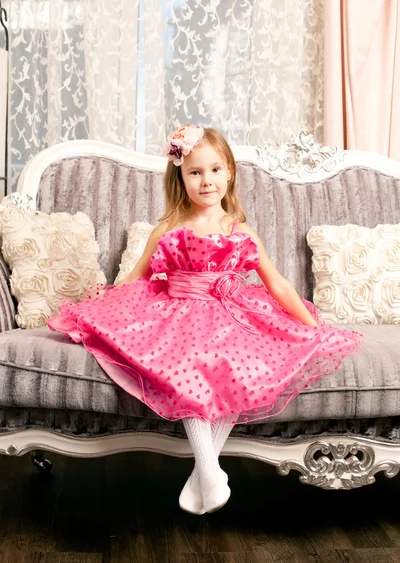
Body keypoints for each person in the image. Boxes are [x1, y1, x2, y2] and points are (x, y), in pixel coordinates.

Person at [46, 124, 364, 515]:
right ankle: (210, 473)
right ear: (180, 177)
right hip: (177, 313)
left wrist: (315, 328)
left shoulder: (239, 229)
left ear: (229, 171)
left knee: (240, 365)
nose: (206, 180)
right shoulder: (169, 228)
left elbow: (278, 284)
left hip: (234, 313)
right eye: (195, 172)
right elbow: (136, 277)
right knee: (190, 364)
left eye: (214, 170)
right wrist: (101, 308)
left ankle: (205, 474)